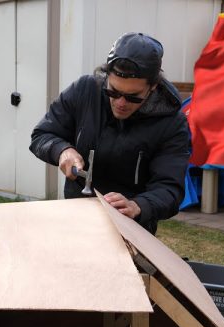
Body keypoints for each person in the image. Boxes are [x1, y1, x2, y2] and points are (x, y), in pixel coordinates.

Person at [30, 32, 190, 233]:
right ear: (106, 76)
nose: (121, 103)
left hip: (132, 230)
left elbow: (170, 189)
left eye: (133, 97)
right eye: (113, 91)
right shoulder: (85, 91)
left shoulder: (172, 123)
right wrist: (61, 150)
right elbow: (41, 135)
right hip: (76, 218)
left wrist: (137, 206)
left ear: (153, 87)